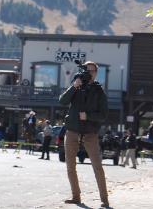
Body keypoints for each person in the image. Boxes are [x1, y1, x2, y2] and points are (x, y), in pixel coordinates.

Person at [59, 61, 109, 207]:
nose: (89, 72)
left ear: (96, 73)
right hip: (72, 131)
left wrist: (88, 116)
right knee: (70, 166)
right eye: (87, 70)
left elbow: (104, 115)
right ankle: (76, 197)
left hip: (90, 133)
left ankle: (104, 200)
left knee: (97, 167)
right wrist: (74, 86)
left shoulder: (99, 91)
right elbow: (62, 101)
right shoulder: (76, 85)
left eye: (92, 71)